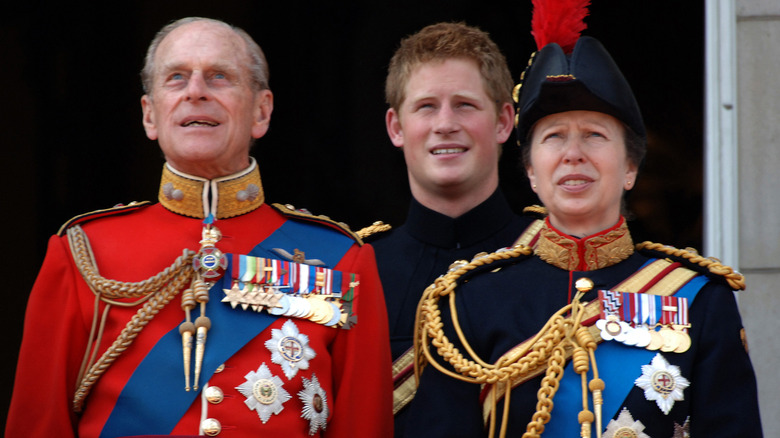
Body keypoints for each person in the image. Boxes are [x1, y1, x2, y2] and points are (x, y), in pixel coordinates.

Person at [6, 17, 392, 437]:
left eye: (219, 77)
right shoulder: (83, 251)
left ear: (261, 111)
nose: (196, 91)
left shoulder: (342, 260)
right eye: (176, 78)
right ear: (149, 115)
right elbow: (39, 423)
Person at [406, 4, 762, 438]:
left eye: (594, 134)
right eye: (554, 137)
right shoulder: (469, 305)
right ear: (532, 173)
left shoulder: (699, 300)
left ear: (630, 167)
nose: (573, 153)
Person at [364, 22, 541, 435]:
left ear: (503, 121)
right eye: (426, 106)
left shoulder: (552, 254)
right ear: (396, 127)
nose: (445, 123)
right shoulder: (359, 270)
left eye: (464, 104)